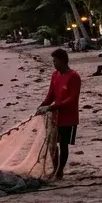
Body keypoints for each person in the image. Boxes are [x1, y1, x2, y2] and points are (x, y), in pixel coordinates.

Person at [37, 48, 81, 180]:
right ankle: (55, 167)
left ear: (62, 61)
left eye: (55, 61)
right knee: (52, 144)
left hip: (69, 117)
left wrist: (54, 106)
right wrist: (42, 106)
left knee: (63, 144)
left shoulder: (74, 76)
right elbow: (51, 94)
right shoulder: (55, 75)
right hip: (55, 116)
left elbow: (73, 98)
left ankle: (60, 170)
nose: (54, 63)